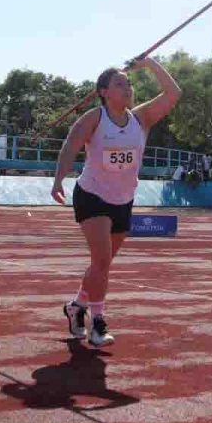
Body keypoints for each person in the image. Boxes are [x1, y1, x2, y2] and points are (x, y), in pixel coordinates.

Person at [50, 58, 182, 347]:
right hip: (91, 196)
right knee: (101, 261)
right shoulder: (94, 119)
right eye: (119, 84)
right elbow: (70, 146)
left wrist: (151, 64)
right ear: (104, 92)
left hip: (123, 200)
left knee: (102, 265)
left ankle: (76, 307)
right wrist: (59, 179)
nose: (127, 88)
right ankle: (97, 322)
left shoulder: (141, 118)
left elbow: (173, 94)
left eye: (128, 83)